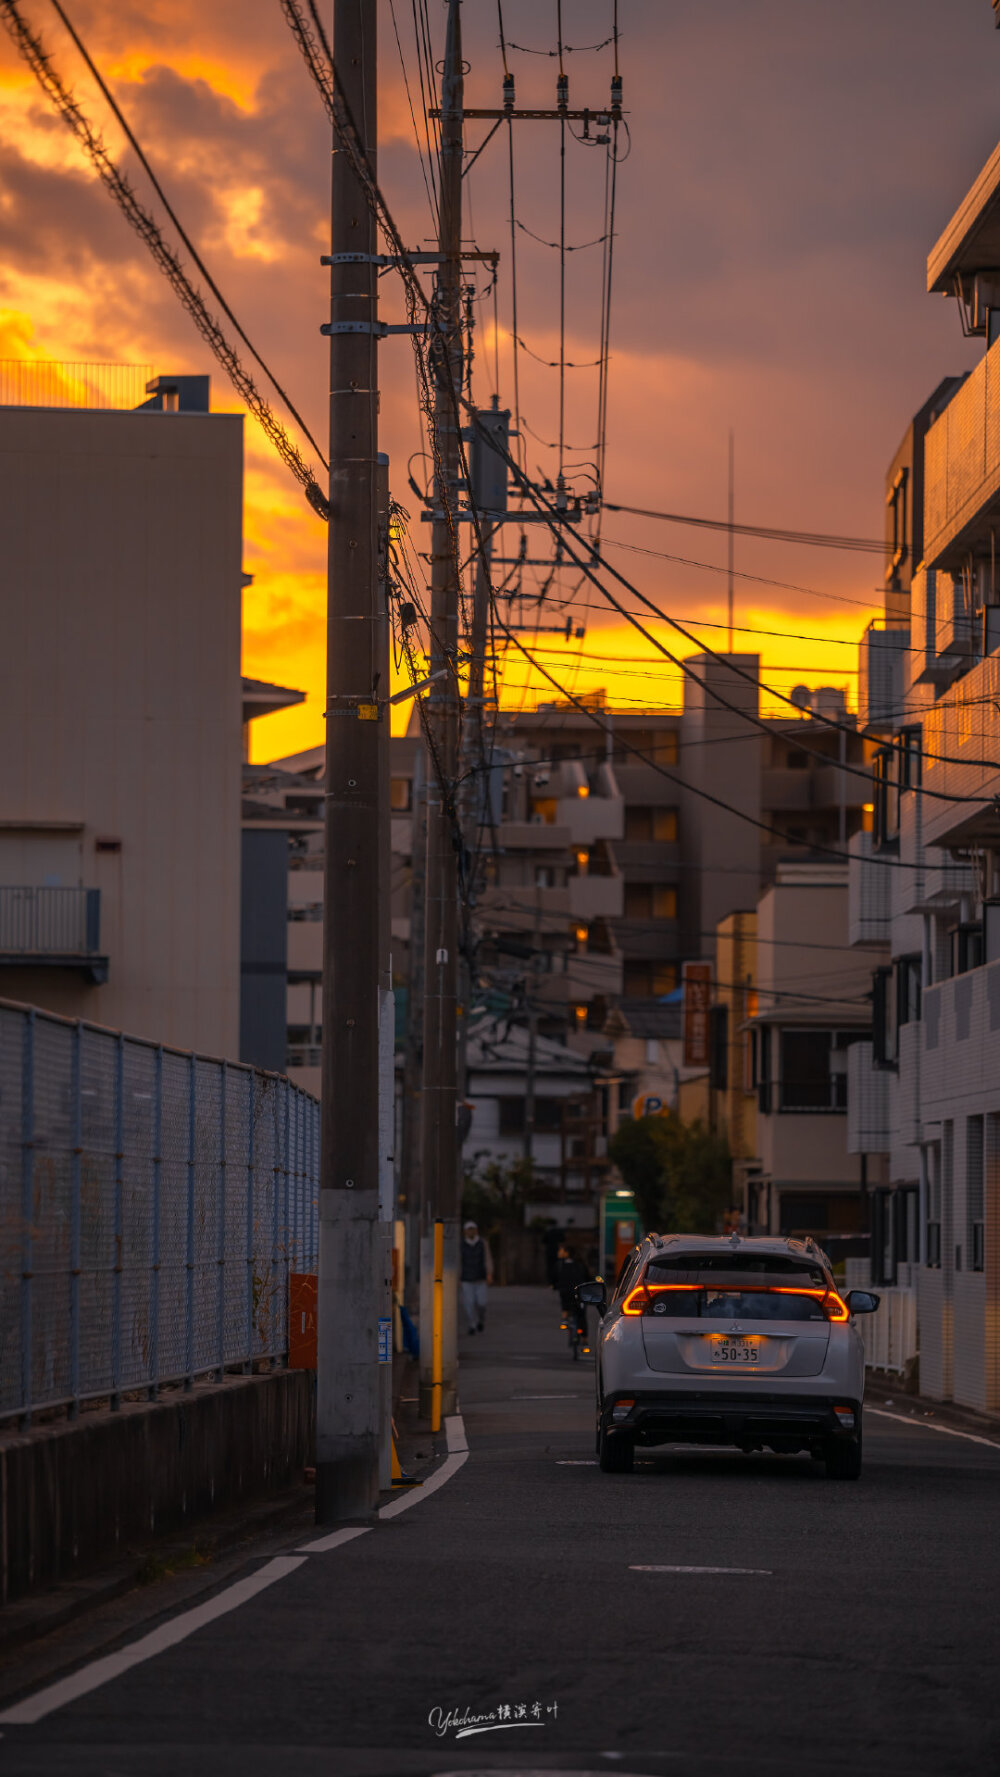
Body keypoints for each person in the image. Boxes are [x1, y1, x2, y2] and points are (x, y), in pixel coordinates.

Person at [460, 1220, 493, 1335]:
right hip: (466, 1278)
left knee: (481, 1303)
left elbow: (487, 1258)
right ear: (465, 1231)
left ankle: (481, 1320)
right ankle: (472, 1325)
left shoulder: (482, 1243)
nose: (471, 1232)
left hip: (480, 1278)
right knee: (469, 1303)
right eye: (469, 1229)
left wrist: (489, 1273)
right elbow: (459, 1261)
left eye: (472, 1229)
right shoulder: (462, 1244)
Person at [554, 1243, 589, 1335]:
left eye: (561, 1250)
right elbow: (588, 1277)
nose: (558, 1252)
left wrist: (555, 1285)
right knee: (581, 1316)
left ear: (567, 1253)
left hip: (566, 1293)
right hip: (580, 1293)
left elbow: (555, 1278)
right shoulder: (580, 1264)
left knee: (565, 1300)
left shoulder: (560, 1264)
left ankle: (565, 1318)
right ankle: (585, 1341)